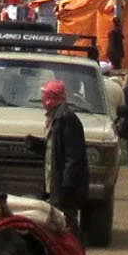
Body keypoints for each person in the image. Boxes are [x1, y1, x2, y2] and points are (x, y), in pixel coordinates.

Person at [37, 78, 91, 222]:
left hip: (64, 188)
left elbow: (73, 156)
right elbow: (55, 150)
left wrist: (67, 187)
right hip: (55, 185)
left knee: (66, 222)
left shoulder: (66, 118)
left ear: (51, 99)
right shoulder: (55, 118)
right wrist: (37, 146)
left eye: (44, 97)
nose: (42, 101)